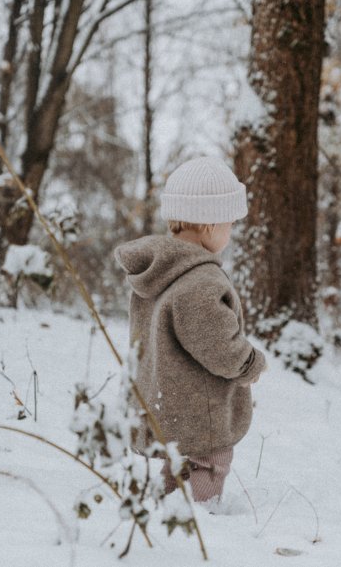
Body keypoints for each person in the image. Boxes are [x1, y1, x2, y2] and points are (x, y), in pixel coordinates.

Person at [113, 156, 268, 503]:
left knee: (176, 463)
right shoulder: (199, 280)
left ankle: (168, 510)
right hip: (201, 411)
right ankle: (196, 521)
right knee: (207, 465)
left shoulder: (157, 272)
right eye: (229, 224)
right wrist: (249, 364)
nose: (229, 232)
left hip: (165, 400)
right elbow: (217, 344)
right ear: (211, 225)